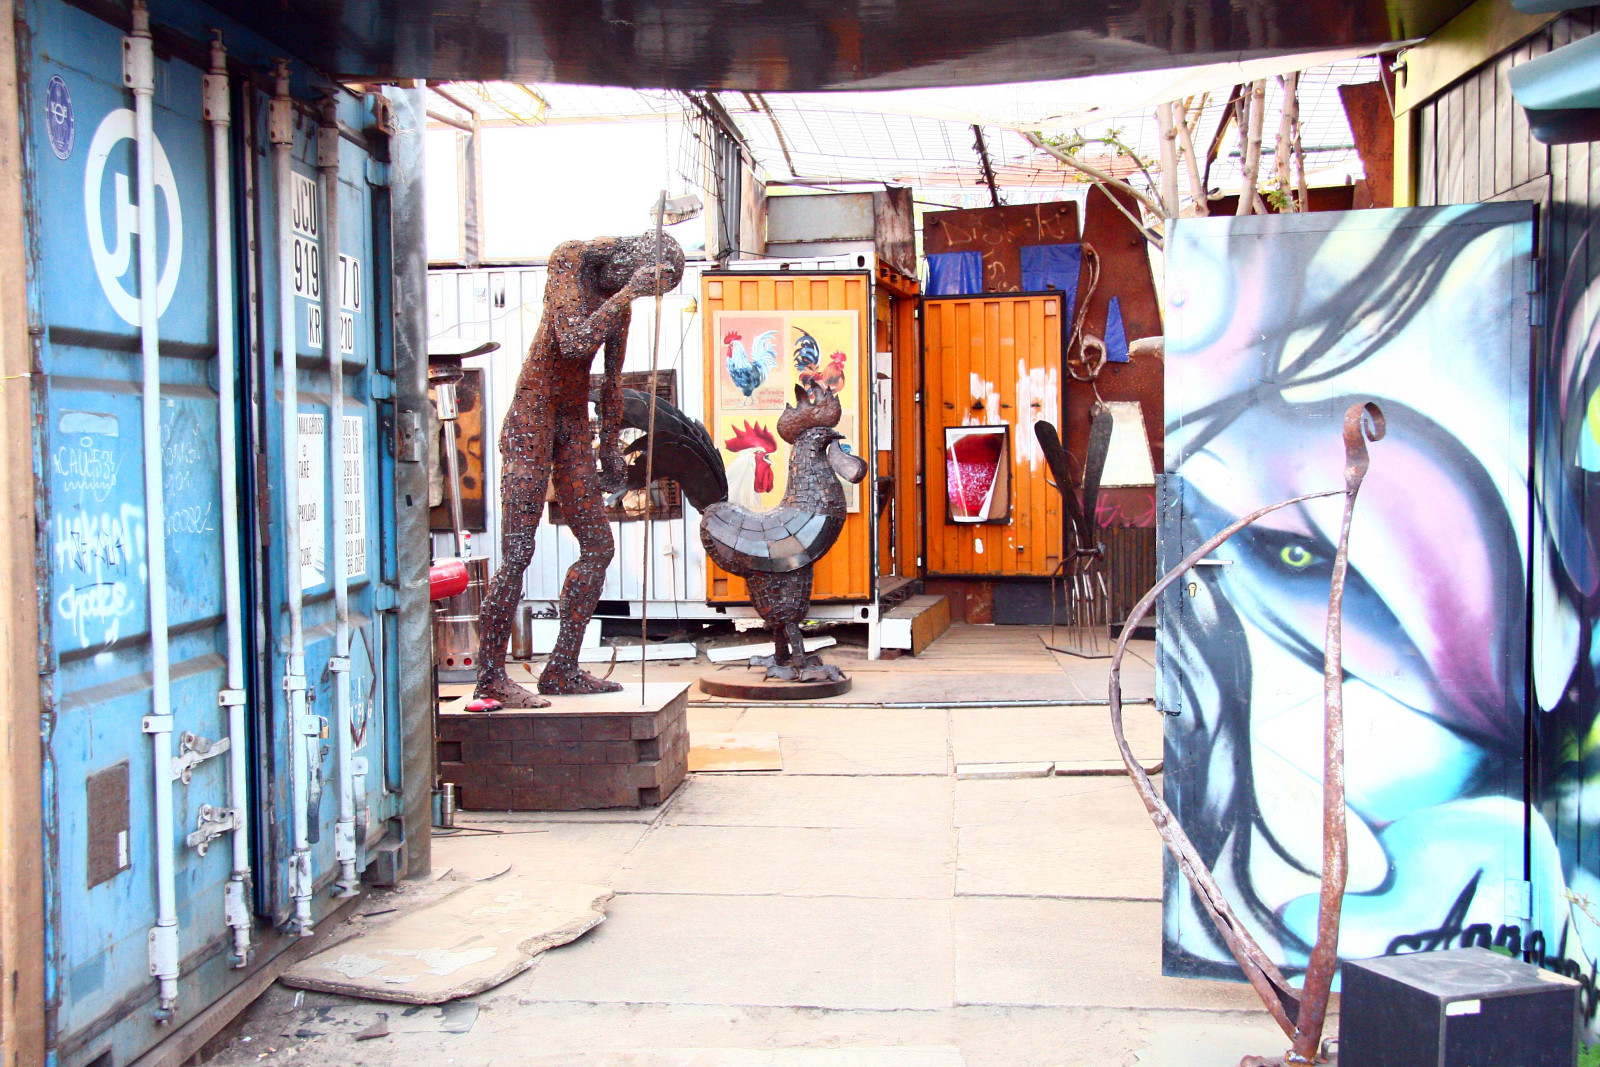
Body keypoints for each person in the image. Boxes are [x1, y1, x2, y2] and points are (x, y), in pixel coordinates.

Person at [474, 232, 685, 707]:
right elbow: (572, 342)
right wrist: (629, 292)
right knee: (517, 552)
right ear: (631, 257)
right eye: (646, 283)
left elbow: (610, 384)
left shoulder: (620, 303)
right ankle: (490, 677)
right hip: (532, 415)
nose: (640, 292)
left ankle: (562, 668)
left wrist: (610, 445)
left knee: (598, 546)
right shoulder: (571, 259)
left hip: (571, 422)